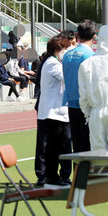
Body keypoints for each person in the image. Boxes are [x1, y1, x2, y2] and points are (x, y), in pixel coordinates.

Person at [38, 36, 72, 185]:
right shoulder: (53, 64)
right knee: (55, 146)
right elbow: (66, 78)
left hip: (56, 111)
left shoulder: (53, 62)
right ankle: (52, 176)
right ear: (58, 49)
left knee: (58, 145)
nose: (65, 51)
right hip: (53, 112)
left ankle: (55, 175)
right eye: (64, 48)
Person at [62, 20, 97, 153]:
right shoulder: (92, 56)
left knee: (76, 146)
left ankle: (77, 173)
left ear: (77, 35)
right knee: (88, 146)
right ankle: (86, 174)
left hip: (71, 103)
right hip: (86, 106)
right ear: (94, 37)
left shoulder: (67, 55)